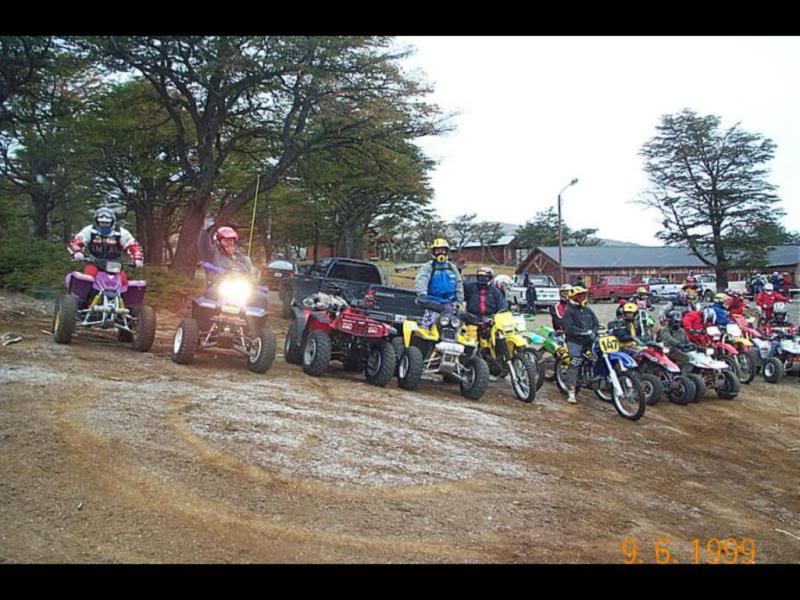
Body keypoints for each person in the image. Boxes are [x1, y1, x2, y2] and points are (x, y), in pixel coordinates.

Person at [197, 220, 268, 317]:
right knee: (208, 298)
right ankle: (207, 323)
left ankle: (254, 328)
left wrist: (254, 280)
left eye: (231, 241)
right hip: (218, 287)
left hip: (242, 289)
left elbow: (251, 273)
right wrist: (205, 231)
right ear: (219, 241)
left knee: (262, 298)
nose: (229, 243)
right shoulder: (213, 253)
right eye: (225, 240)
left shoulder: (242, 258)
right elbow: (203, 246)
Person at [67, 207, 144, 295]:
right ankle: (82, 304)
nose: (104, 225)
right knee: (86, 281)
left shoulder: (121, 233)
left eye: (107, 223)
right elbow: (76, 242)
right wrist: (77, 252)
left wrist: (137, 258)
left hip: (115, 265)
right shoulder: (90, 231)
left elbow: (133, 245)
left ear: (112, 222)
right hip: (94, 262)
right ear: (97, 222)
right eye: (101, 223)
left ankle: (126, 305)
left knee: (124, 285)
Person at [561, 286, 600, 404]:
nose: (583, 297)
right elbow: (569, 328)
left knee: (599, 355)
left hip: (589, 340)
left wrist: (594, 331)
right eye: (580, 295)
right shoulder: (569, 311)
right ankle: (571, 392)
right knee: (576, 361)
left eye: (584, 295)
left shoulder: (588, 310)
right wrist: (582, 332)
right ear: (574, 297)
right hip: (575, 341)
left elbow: (596, 323)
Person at [414, 238, 465, 306]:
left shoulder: (451, 267)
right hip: (433, 302)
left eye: (442, 250)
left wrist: (460, 300)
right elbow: (421, 280)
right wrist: (422, 295)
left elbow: (459, 283)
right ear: (434, 252)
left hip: (450, 303)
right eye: (438, 250)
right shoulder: (428, 266)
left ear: (446, 251)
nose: (440, 252)